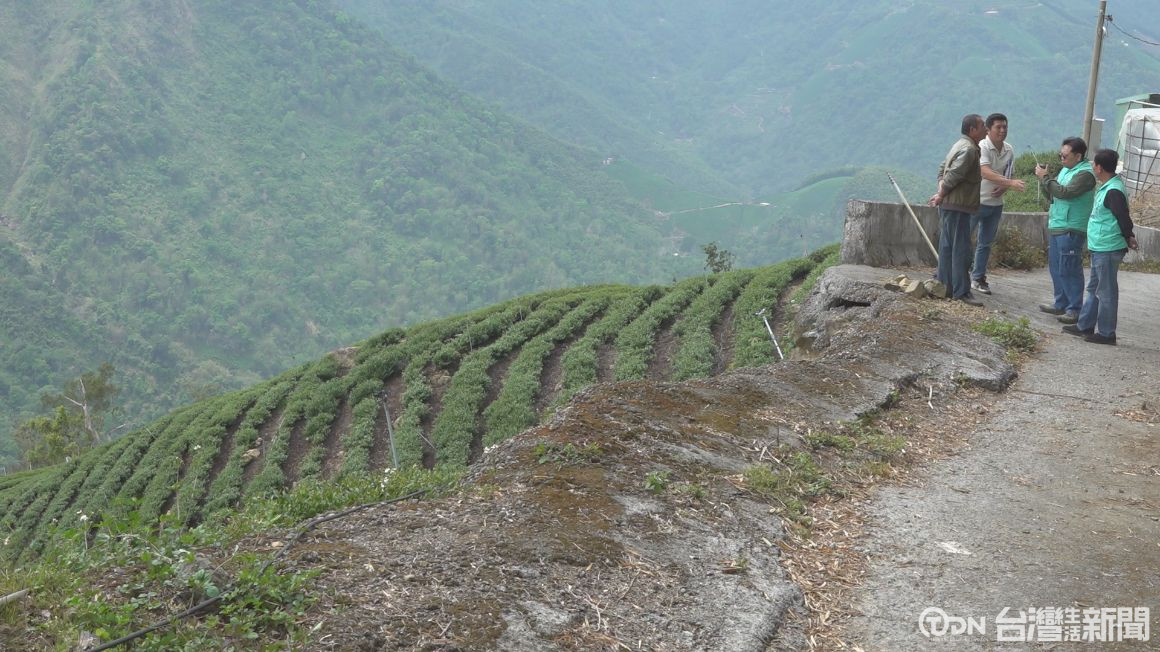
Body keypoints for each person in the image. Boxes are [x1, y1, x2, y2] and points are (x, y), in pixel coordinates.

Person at [1062, 149, 1138, 345]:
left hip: (1108, 247)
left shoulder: (1113, 191)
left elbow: (1123, 217)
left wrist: (1129, 236)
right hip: (1100, 246)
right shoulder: (1107, 187)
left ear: (1100, 168)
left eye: (1094, 164)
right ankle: (1085, 325)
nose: (1093, 167)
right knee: (1094, 288)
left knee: (1106, 292)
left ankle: (1106, 332)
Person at [1034, 137, 1096, 324]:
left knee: (1070, 268)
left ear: (1078, 156)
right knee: (1056, 267)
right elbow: (1054, 195)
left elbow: (1065, 193)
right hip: (1058, 224)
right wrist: (1045, 182)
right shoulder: (1066, 170)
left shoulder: (1085, 174)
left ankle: (1074, 309)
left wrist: (1046, 178)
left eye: (1065, 156)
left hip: (1072, 227)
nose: (1061, 158)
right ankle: (1061, 302)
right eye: (1060, 155)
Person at [929, 114, 987, 307]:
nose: (986, 129)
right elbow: (954, 174)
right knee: (961, 250)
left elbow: (942, 168)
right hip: (958, 207)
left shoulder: (959, 145)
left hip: (950, 205)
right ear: (972, 130)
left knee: (947, 248)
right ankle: (961, 292)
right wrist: (941, 193)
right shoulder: (969, 149)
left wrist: (941, 191)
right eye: (982, 126)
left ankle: (945, 286)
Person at [970, 113, 1027, 295]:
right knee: (964, 239)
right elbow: (984, 171)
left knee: (985, 243)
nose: (1002, 131)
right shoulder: (982, 146)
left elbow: (1009, 172)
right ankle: (957, 275)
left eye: (1005, 127)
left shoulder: (1009, 149)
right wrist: (1009, 183)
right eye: (998, 127)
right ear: (988, 129)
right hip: (976, 201)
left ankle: (978, 277)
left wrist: (1004, 187)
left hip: (995, 204)